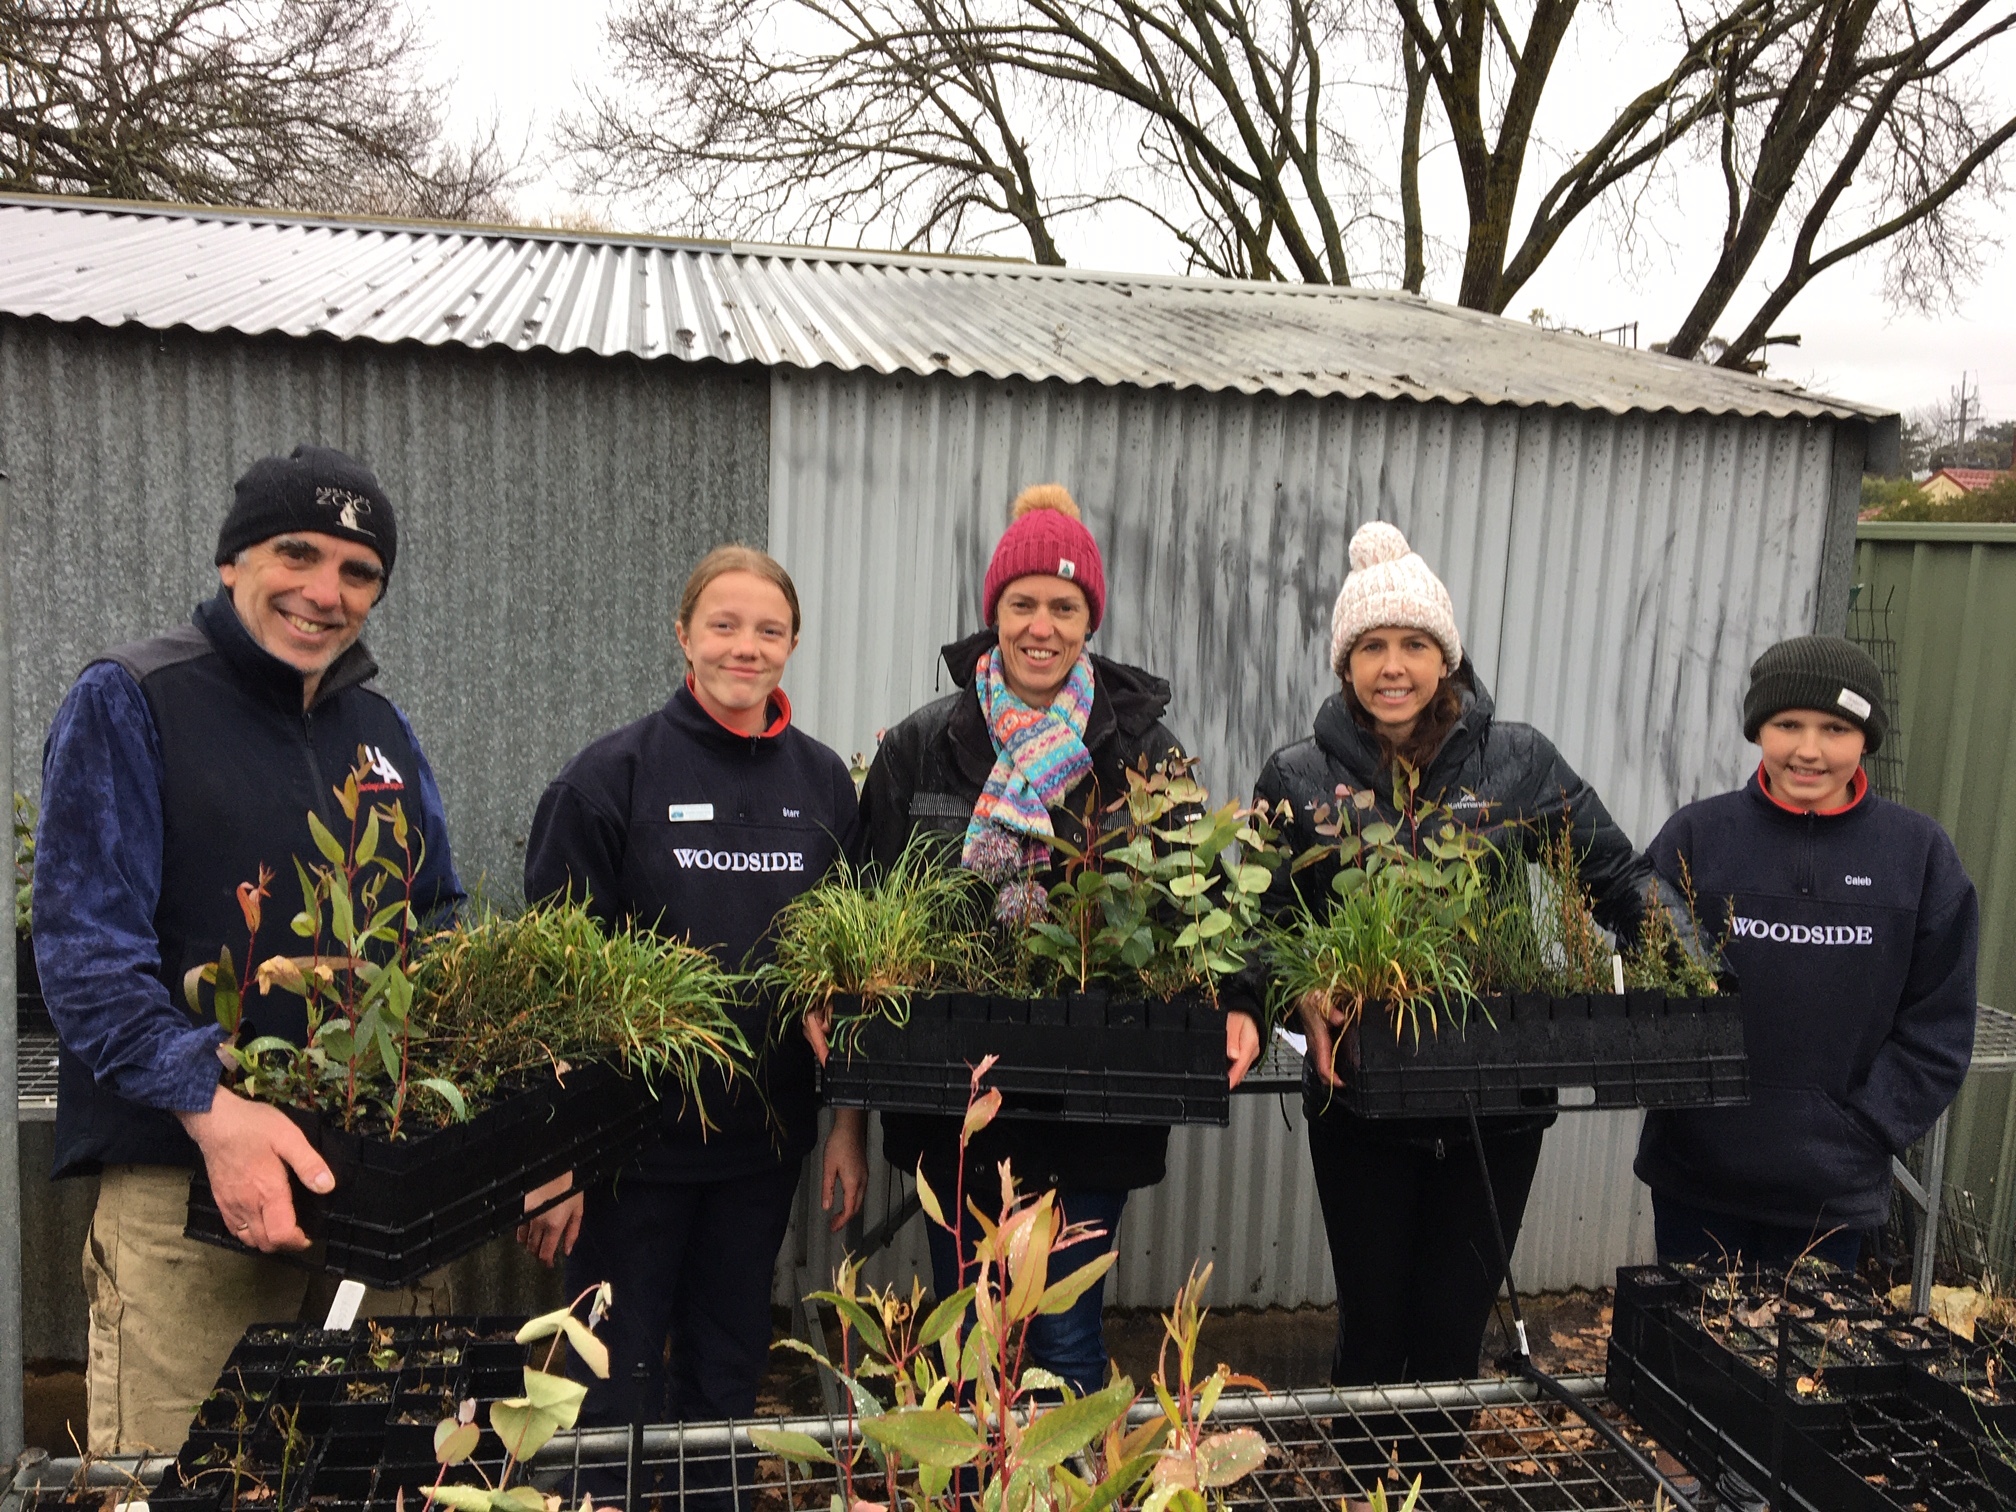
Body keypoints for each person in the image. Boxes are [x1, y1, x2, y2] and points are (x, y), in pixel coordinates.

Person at [34, 444, 463, 1454]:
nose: (326, 592)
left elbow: (432, 922)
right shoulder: (134, 699)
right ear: (233, 562)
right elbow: (86, 952)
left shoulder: (379, 729)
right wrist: (215, 1115)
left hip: (367, 1184)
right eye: (295, 555)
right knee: (191, 1469)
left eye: (358, 572)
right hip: (188, 1190)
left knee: (384, 1464)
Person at [839, 483, 1264, 1396]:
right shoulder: (926, 744)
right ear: (993, 613)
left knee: (1065, 1335)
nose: (1042, 625)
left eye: (1064, 607)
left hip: (1089, 1101)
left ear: (1089, 619)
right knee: (971, 1336)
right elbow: (864, 900)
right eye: (1022, 604)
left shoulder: (1142, 751)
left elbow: (1214, 901)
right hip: (952, 1094)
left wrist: (1240, 1002)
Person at [1256, 520, 1663, 1388]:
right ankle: (1366, 1485)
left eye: (1412, 644)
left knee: (1450, 1336)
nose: (1392, 666)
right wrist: (1300, 995)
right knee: (1371, 1334)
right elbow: (1259, 930)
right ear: (1345, 664)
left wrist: (1700, 971)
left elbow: (1618, 877)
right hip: (1361, 1107)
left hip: (1494, 1106)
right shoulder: (1295, 778)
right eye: (1371, 646)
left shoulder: (1518, 761)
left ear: (1447, 658)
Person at [519, 545, 867, 1477]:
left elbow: (854, 978)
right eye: (724, 624)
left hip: (761, 1151)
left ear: (793, 643)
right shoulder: (609, 779)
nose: (745, 647)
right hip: (628, 1157)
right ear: (683, 634)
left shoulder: (826, 784)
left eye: (768, 629)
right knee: (606, 1387)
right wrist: (557, 1161)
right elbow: (555, 996)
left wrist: (846, 1130)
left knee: (724, 1379)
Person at [1636, 635, 1978, 1273]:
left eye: (1836, 728)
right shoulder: (1697, 837)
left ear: (1866, 739)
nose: (1809, 749)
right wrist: (1691, 1115)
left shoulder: (1919, 857)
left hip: (1831, 1194)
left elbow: (1940, 1026)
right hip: (1696, 1181)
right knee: (1689, 1365)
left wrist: (1864, 1130)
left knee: (1803, 1370)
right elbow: (1646, 990)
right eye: (1787, 723)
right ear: (1757, 728)